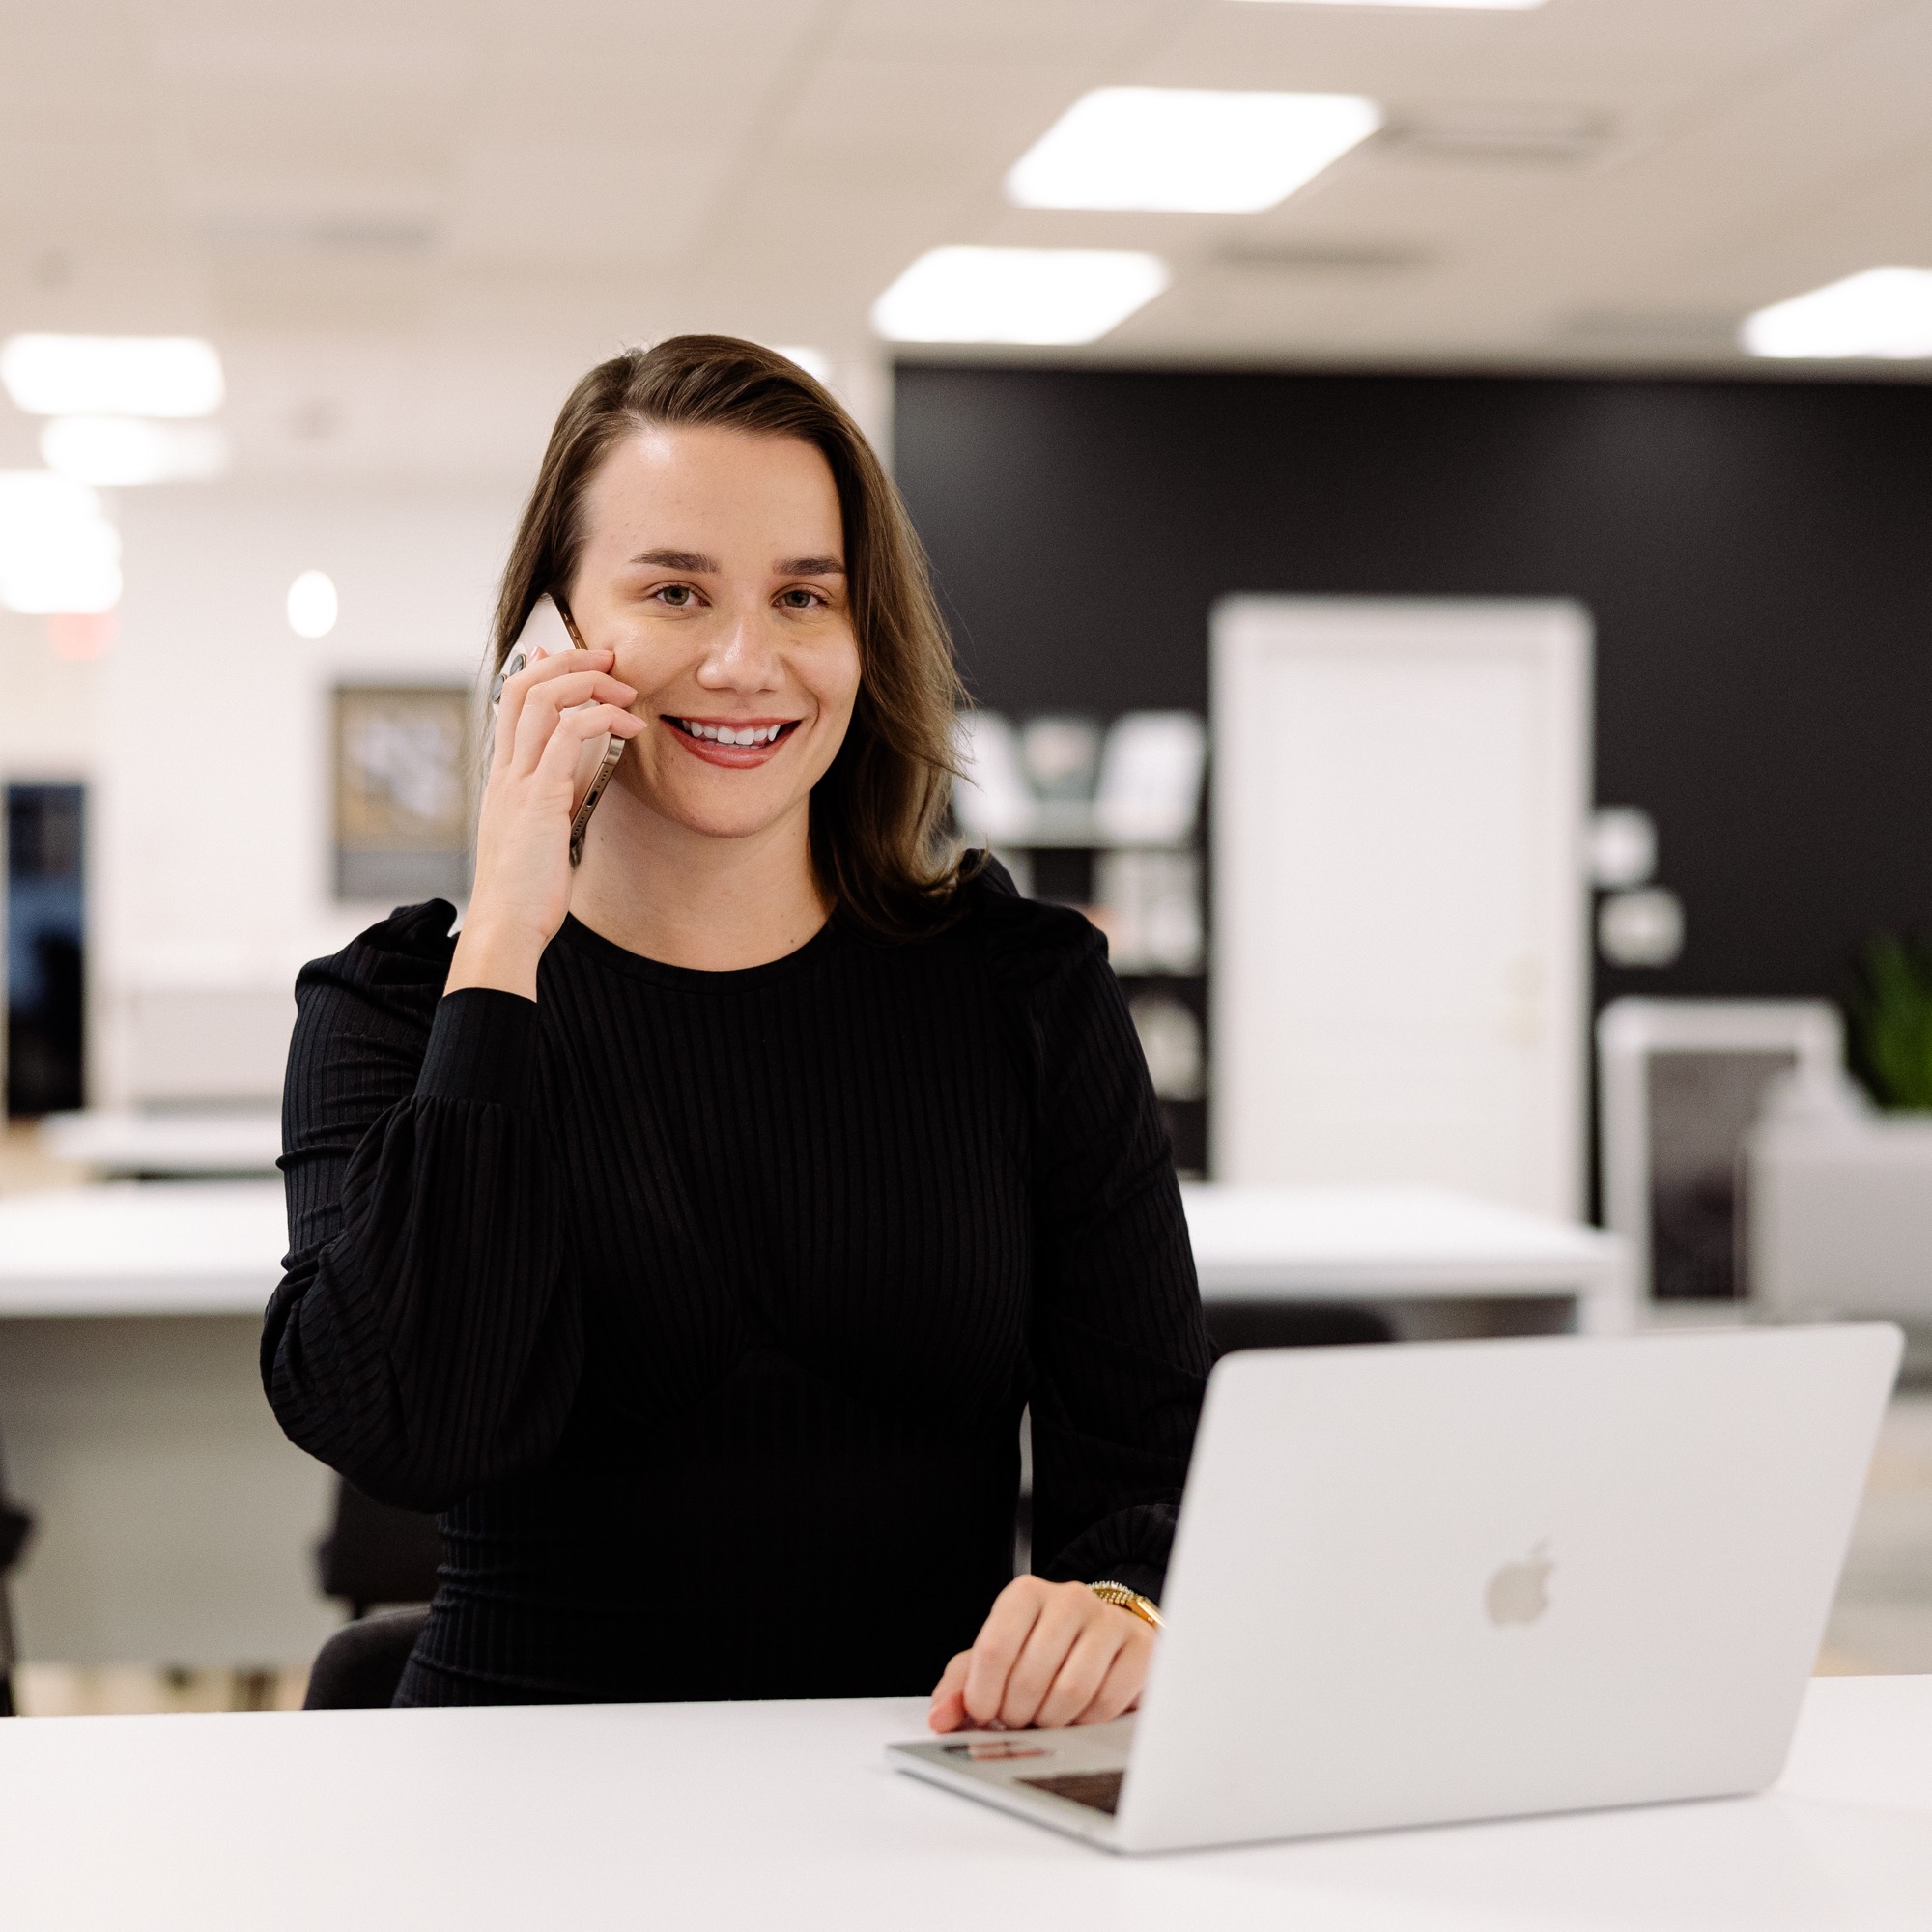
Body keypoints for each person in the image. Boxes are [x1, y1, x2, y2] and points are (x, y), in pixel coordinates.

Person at [264, 335, 1211, 1722]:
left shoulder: (1027, 989)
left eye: (803, 598)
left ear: (862, 636)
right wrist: (510, 930)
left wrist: (1122, 1606)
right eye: (672, 591)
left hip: (924, 1783)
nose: (743, 660)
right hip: (510, 1796)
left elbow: (1148, 1466)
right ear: (551, 637)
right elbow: (406, 1424)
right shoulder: (401, 1005)